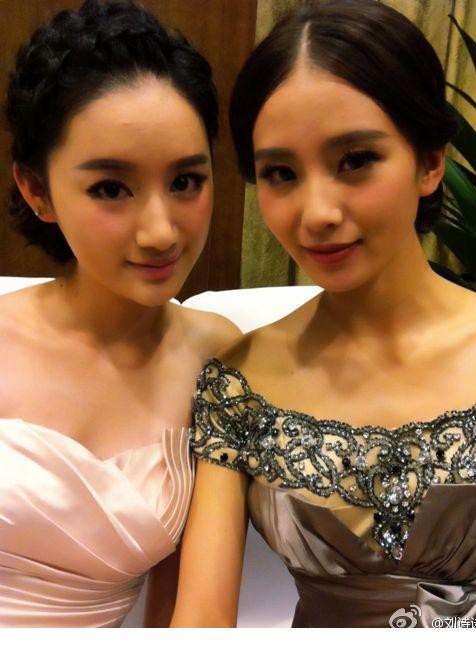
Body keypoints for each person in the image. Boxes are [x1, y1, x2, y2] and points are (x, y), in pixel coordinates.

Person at [171, 0, 476, 628]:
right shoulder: (238, 384)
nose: (316, 213)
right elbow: (201, 622)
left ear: (430, 161)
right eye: (280, 173)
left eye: (355, 160)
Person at [0, 0, 239, 628]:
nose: (161, 233)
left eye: (186, 182)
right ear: (37, 189)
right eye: (111, 188)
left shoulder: (218, 356)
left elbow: (183, 609)